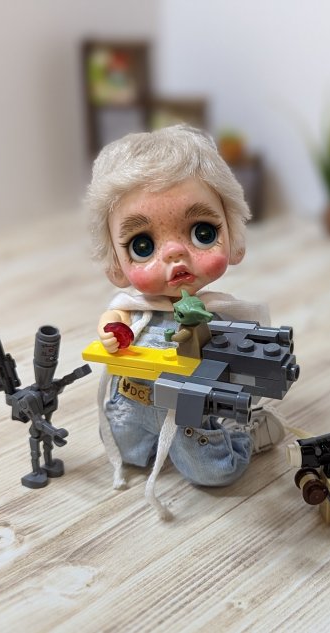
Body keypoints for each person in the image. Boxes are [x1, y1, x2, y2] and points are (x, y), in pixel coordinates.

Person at [86, 125, 283, 517]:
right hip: (131, 401)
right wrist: (112, 330)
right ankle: (143, 438)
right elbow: (116, 315)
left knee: (215, 471)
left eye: (202, 233)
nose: (175, 253)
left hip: (187, 412)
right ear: (116, 265)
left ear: (233, 235)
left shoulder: (220, 314)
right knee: (126, 452)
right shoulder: (133, 303)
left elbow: (248, 356)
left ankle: (248, 431)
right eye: (143, 245)